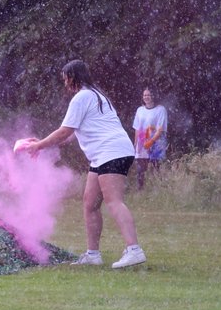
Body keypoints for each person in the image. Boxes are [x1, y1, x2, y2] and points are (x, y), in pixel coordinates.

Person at [17, 60, 146, 269]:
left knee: (114, 201)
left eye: (65, 78)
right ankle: (93, 255)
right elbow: (71, 133)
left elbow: (65, 131)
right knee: (90, 203)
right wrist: (41, 143)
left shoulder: (81, 97)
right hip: (108, 153)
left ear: (72, 77)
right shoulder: (97, 95)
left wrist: (39, 146)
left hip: (110, 152)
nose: (65, 83)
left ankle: (134, 250)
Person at [132, 86, 168, 190]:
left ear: (153, 96)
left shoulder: (161, 110)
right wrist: (136, 143)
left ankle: (159, 190)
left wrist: (151, 142)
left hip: (157, 142)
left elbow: (160, 129)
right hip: (142, 141)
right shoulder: (140, 110)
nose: (146, 97)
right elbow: (137, 128)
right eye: (144, 95)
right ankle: (140, 190)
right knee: (140, 169)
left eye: (148, 95)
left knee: (156, 167)